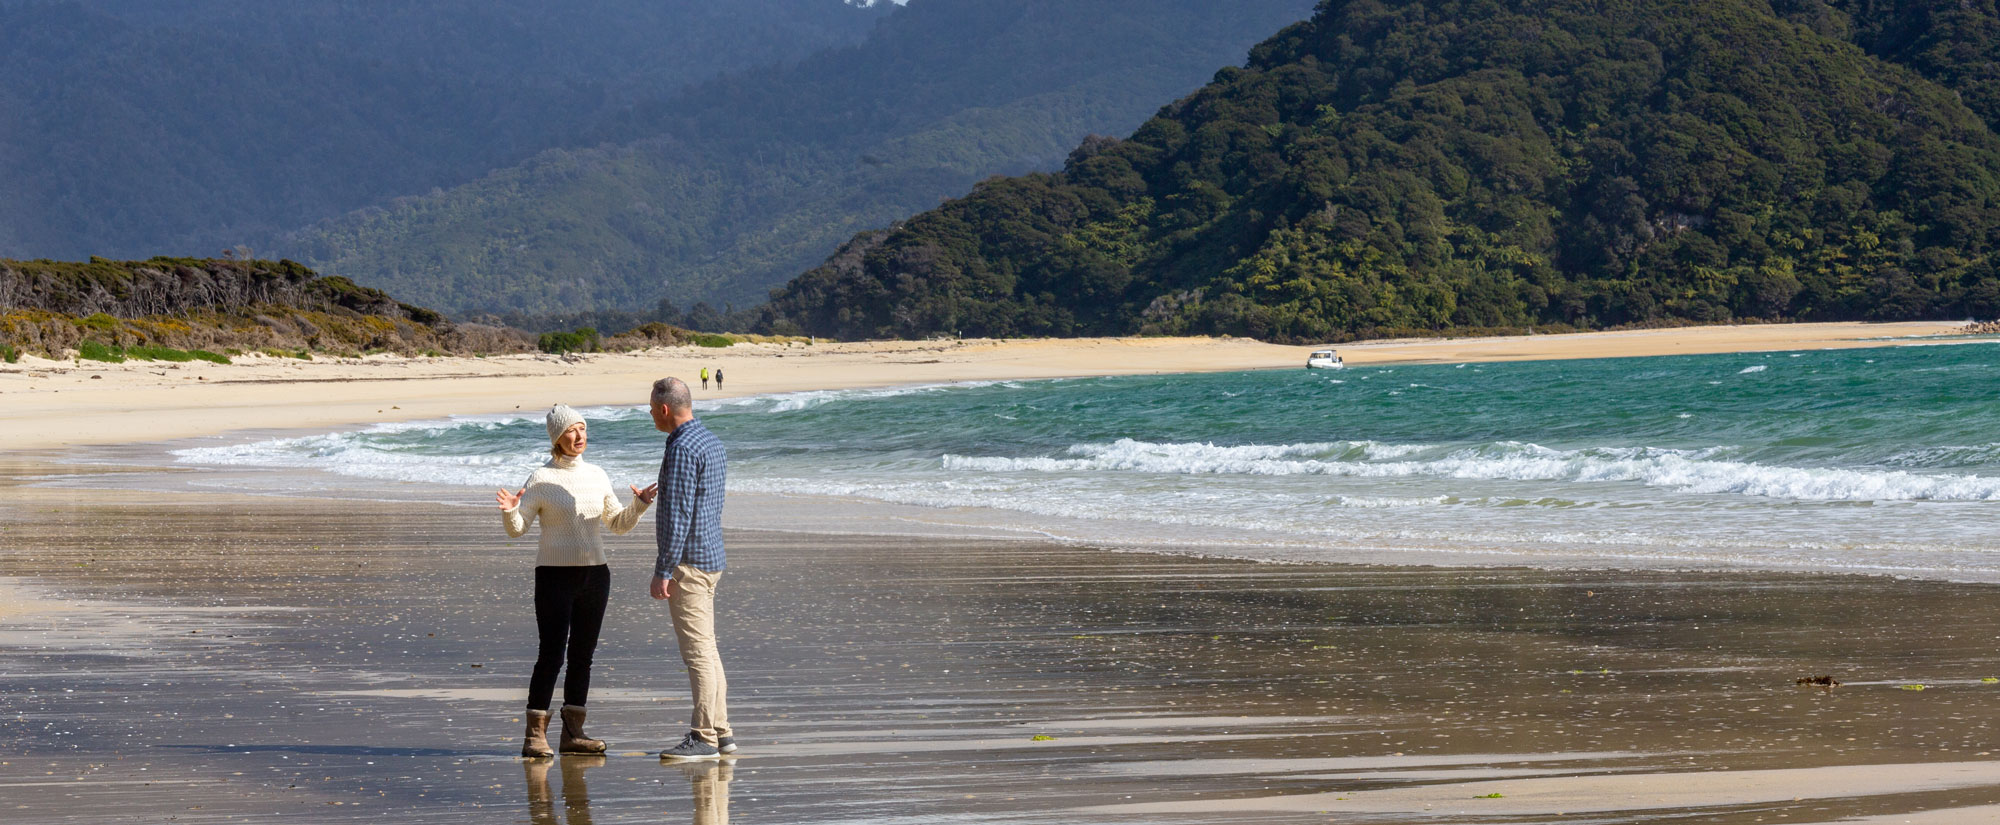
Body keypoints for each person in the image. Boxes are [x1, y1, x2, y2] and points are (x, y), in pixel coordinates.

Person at [498, 404, 658, 758]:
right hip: (554, 576)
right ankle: (534, 736)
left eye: (582, 428)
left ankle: (573, 733)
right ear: (557, 437)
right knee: (551, 655)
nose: (579, 435)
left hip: (595, 575)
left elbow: (617, 524)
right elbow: (518, 530)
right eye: (571, 430)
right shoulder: (541, 479)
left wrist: (639, 505)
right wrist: (510, 511)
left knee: (583, 656)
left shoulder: (597, 475)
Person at [647, 377, 733, 760]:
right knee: (707, 650)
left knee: (698, 654)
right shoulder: (711, 441)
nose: (651, 415)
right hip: (710, 556)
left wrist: (663, 569)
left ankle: (704, 737)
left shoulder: (682, 448)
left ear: (665, 409)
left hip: (689, 564)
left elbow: (679, 515)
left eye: (652, 409)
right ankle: (722, 731)